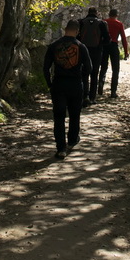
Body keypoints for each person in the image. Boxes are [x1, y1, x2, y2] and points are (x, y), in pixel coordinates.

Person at [43, 19, 92, 159]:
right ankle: (72, 140)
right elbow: (89, 68)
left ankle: (61, 148)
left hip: (58, 84)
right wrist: (81, 78)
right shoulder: (81, 47)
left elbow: (46, 68)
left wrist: (49, 84)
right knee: (74, 114)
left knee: (59, 117)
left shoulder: (54, 46)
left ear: (65, 29)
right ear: (77, 32)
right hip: (75, 84)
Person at [77, 6, 110, 105]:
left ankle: (84, 96)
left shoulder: (81, 22)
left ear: (88, 12)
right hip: (96, 51)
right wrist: (101, 45)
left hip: (83, 51)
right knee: (94, 74)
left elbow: (77, 37)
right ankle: (92, 98)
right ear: (96, 13)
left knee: (84, 74)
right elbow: (107, 39)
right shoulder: (101, 23)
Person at [99, 8, 129, 99]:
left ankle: (100, 83)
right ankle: (113, 91)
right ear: (116, 15)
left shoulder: (104, 22)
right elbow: (123, 38)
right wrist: (126, 51)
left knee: (103, 67)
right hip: (114, 46)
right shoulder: (119, 24)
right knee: (115, 69)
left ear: (109, 14)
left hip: (104, 46)